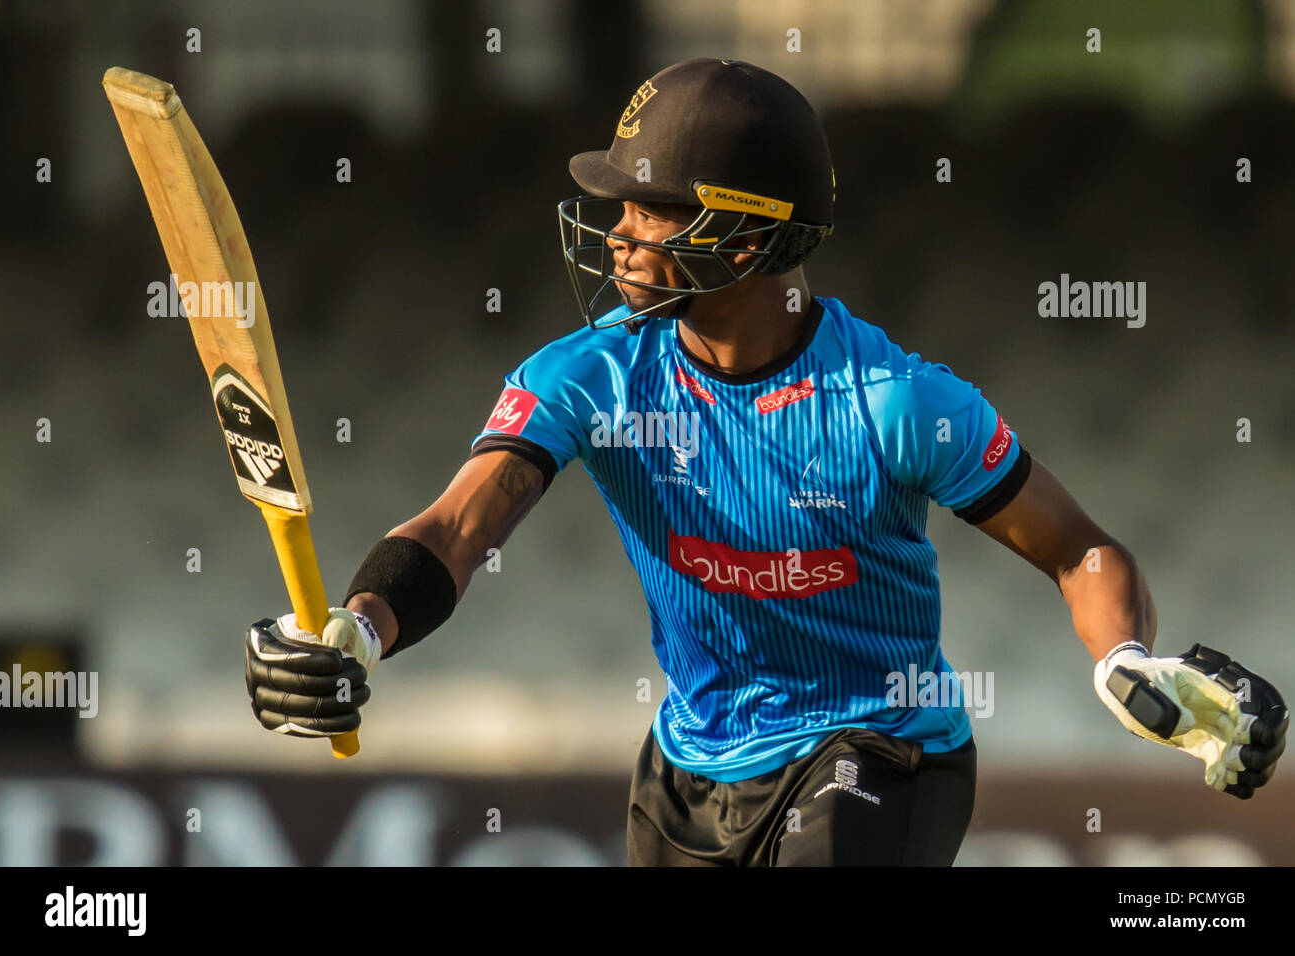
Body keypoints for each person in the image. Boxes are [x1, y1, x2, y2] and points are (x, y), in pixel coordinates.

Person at [245, 58, 1288, 866]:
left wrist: (1120, 657)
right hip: (686, 774)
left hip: (882, 750)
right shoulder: (591, 375)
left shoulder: (899, 403)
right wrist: (360, 630)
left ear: (742, 239)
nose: (615, 232)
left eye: (648, 208)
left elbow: (1080, 550)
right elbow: (458, 528)